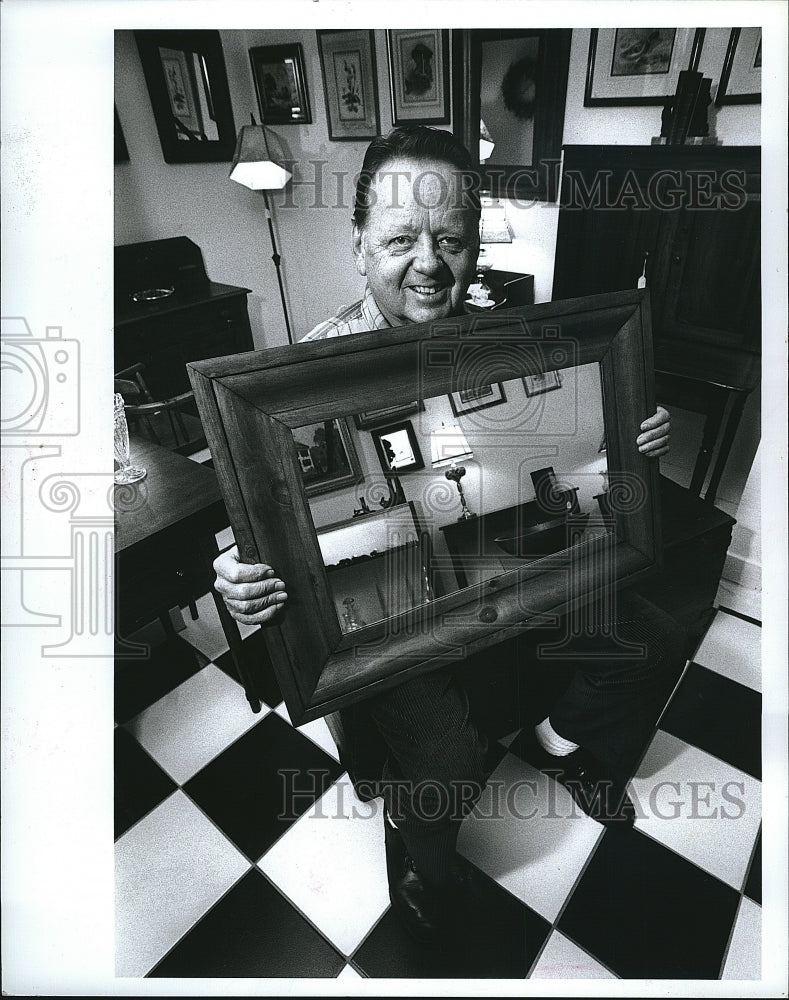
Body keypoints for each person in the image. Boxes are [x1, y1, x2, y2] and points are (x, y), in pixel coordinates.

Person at [213, 126, 678, 943]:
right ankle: (428, 863)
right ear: (359, 245)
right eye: (399, 238)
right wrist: (239, 576)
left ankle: (564, 741)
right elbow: (264, 530)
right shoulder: (292, 382)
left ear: (470, 247)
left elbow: (572, 444)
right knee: (445, 757)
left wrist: (629, 432)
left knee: (649, 631)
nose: (429, 262)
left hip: (505, 553)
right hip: (388, 600)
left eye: (451, 239)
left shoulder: (514, 336)